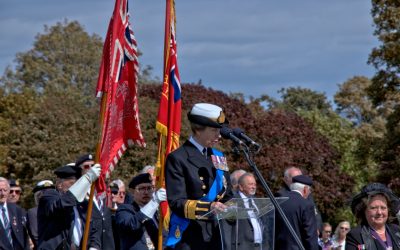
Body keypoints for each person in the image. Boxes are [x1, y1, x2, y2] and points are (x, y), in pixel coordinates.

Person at [165, 103, 234, 249]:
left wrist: (234, 207)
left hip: (215, 235)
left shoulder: (219, 157)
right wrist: (210, 206)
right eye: (214, 130)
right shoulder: (178, 158)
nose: (219, 135)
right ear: (197, 129)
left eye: (219, 130)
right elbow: (176, 201)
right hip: (190, 234)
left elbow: (227, 194)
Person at [37, 163, 101, 249]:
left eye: (79, 183)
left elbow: (94, 226)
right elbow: (62, 204)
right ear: (59, 184)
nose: (79, 187)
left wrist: (94, 246)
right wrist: (87, 179)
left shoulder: (84, 204)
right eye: (74, 184)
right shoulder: (49, 196)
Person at [115, 173, 167, 249]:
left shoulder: (155, 213)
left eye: (149, 188)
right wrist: (154, 202)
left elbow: (163, 236)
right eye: (142, 188)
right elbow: (132, 224)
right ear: (132, 191)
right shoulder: (124, 209)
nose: (146, 192)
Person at [75, 154, 115, 250]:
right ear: (80, 171)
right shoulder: (78, 195)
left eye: (93, 166)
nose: (91, 169)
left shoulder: (102, 192)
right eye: (86, 167)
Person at [346, 183, 400, 250]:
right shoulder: (355, 235)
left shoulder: (397, 230)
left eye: (383, 208)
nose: (379, 212)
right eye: (374, 208)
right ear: (364, 210)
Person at [275, 175, 319, 250]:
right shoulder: (306, 205)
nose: (309, 193)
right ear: (305, 189)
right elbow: (310, 235)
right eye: (309, 190)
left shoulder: (279, 201)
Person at [276, 166, 323, 231]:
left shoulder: (307, 194)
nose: (299, 181)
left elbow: (315, 212)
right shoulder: (281, 195)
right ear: (285, 179)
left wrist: (317, 228)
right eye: (295, 179)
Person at [231, 173, 267, 250]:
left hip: (260, 246)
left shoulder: (256, 201)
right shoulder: (234, 201)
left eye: (255, 184)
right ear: (241, 187)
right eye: (250, 184)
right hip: (243, 246)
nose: (254, 187)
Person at [0, 177, 30, 250]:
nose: (3, 193)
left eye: (5, 190)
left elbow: (23, 237)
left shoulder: (17, 210)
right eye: (0, 190)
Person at [26, 180, 55, 250]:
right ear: (38, 196)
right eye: (43, 193)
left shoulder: (58, 209)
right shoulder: (33, 212)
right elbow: (36, 237)